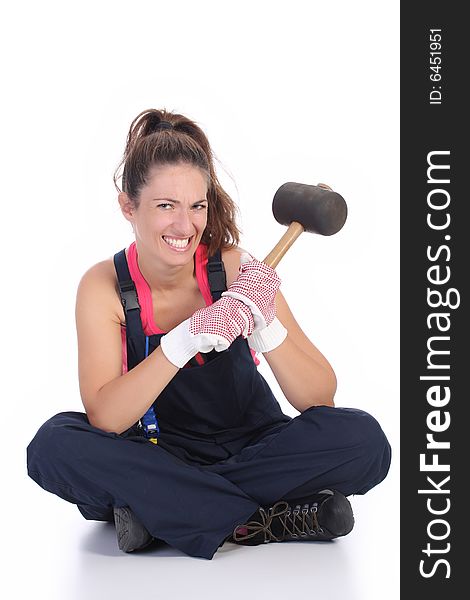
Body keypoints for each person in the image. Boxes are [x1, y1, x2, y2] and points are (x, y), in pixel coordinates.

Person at [26, 108, 391, 560]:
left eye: (196, 205)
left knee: (364, 440)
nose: (185, 226)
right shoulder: (104, 288)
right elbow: (106, 418)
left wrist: (266, 327)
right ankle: (269, 519)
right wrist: (182, 342)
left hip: (255, 444)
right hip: (159, 451)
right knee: (53, 446)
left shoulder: (237, 271)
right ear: (128, 207)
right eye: (166, 206)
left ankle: (163, 512)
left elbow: (320, 397)